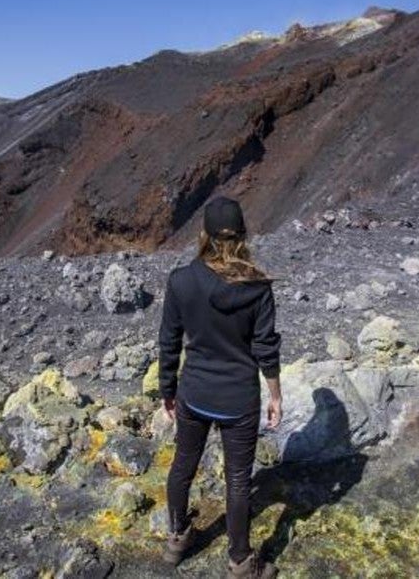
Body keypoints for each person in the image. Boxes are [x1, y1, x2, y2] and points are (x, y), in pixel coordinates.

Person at [157, 195, 282, 579]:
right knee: (239, 480)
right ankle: (241, 563)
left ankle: (177, 539)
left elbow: (169, 341)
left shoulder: (181, 281)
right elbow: (265, 346)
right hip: (238, 399)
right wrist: (275, 394)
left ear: (204, 235)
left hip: (194, 393)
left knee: (183, 465)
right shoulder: (258, 287)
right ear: (242, 235)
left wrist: (167, 390)